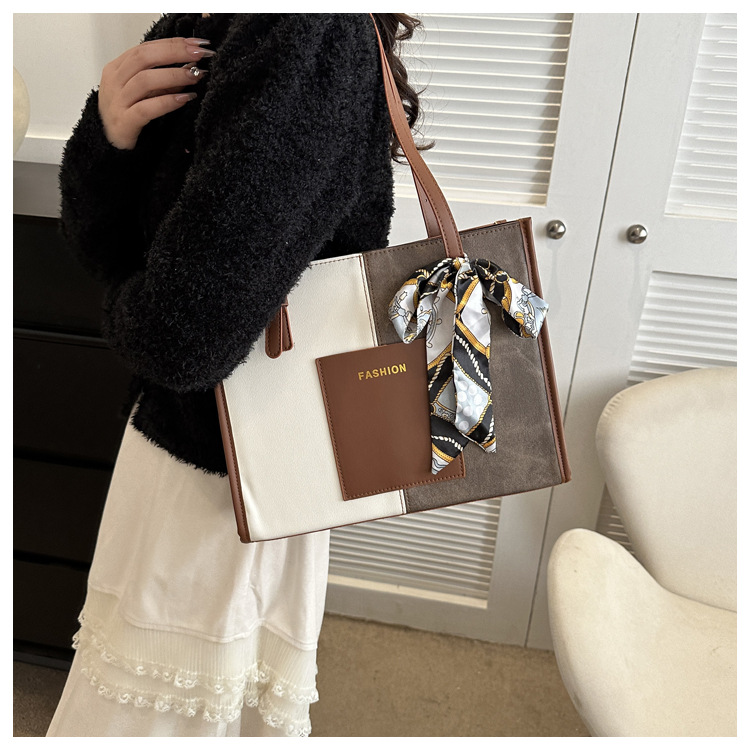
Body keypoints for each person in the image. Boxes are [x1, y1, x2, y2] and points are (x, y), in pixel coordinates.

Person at [45, 12, 430, 737]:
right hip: (201, 442)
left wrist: (141, 307)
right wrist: (110, 138)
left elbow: (180, 338)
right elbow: (108, 252)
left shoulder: (304, 29)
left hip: (233, 473)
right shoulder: (204, 24)